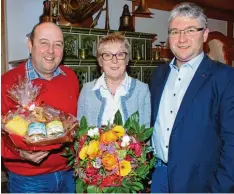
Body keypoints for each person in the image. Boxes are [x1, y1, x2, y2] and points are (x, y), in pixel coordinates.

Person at [150, 2, 234, 193]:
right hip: (158, 176)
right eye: (174, 32)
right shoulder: (158, 75)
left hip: (199, 183)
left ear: (204, 34)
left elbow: (232, 144)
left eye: (190, 30)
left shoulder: (225, 78)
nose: (181, 39)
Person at [1, 22, 79, 193]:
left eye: (58, 44)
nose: (51, 51)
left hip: (69, 174)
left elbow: (74, 124)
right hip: (28, 180)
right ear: (30, 45)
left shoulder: (71, 77)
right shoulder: (6, 82)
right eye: (44, 43)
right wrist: (19, 153)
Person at [77, 32, 150, 127]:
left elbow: (144, 133)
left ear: (127, 59)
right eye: (107, 55)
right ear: (100, 61)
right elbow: (80, 133)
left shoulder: (142, 90)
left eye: (120, 54)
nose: (114, 60)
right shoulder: (87, 90)